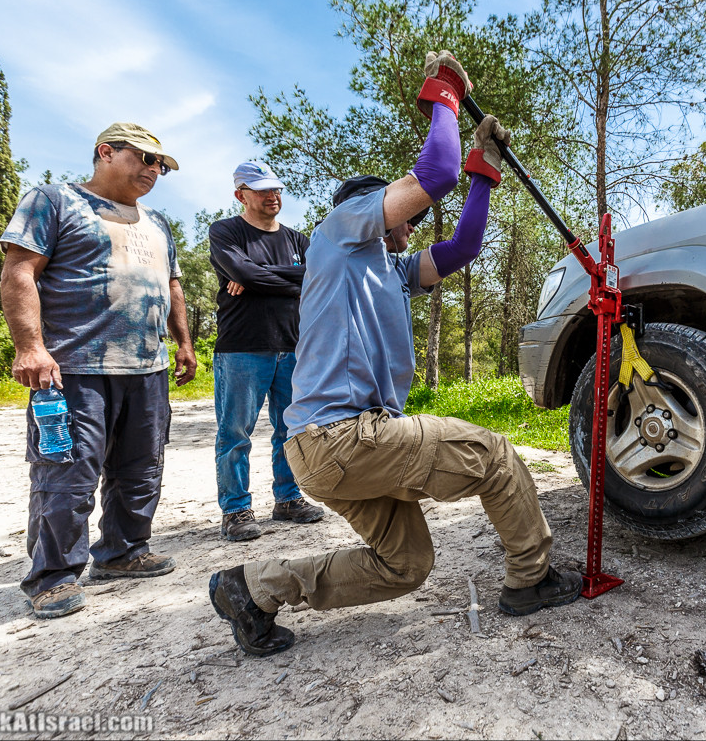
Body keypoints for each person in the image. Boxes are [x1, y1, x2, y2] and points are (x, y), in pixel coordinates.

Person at [209, 52, 582, 656]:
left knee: (405, 564)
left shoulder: (389, 268)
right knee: (495, 455)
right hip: (342, 437)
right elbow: (433, 174)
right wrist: (445, 96)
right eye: (404, 212)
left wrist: (482, 175)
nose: (415, 222)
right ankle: (532, 579)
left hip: (329, 449)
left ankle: (252, 589)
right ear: (374, 209)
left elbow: (461, 248)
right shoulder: (339, 232)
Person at [0, 122, 197, 619]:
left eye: (161, 165)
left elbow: (172, 287)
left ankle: (124, 553)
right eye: (145, 159)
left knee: (141, 467)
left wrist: (184, 345)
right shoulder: (54, 201)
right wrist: (30, 347)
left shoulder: (157, 223)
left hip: (146, 369)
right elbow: (20, 271)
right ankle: (53, 577)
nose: (154, 170)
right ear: (106, 152)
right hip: (75, 368)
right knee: (67, 472)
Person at [208, 162, 324, 541]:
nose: (272, 196)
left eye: (276, 189)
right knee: (235, 432)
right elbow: (246, 273)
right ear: (241, 194)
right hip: (242, 347)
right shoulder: (226, 231)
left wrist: (255, 276)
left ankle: (288, 499)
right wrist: (251, 275)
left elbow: (316, 277)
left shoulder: (298, 239)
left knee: (289, 430)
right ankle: (237, 510)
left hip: (293, 346)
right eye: (261, 190)